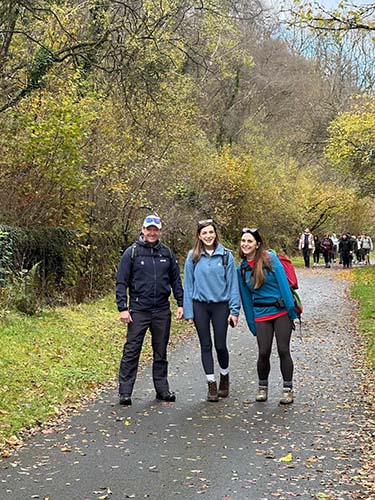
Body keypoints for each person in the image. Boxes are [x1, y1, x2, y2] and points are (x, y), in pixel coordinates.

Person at [116, 215, 184, 406]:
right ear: (143, 230)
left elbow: (176, 281)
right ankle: (125, 391)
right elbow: (121, 282)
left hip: (162, 309)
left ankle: (162, 389)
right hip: (139, 309)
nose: (152, 233)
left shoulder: (167, 253)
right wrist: (123, 308)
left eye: (155, 229)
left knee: (160, 351)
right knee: (131, 350)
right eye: (149, 229)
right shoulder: (132, 253)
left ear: (160, 231)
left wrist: (181, 303)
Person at [237, 228, 298, 405]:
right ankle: (262, 387)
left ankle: (288, 389)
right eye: (243, 241)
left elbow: (283, 285)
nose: (246, 244)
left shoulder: (270, 259)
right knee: (263, 352)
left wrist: (291, 311)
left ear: (257, 244)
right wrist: (251, 323)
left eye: (249, 241)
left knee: (283, 349)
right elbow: (246, 299)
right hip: (260, 313)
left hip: (280, 311)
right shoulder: (241, 269)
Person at [183, 219, 240, 402]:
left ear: (215, 234)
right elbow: (188, 285)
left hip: (220, 306)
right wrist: (188, 312)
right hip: (200, 305)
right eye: (204, 233)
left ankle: (224, 376)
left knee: (220, 345)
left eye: (211, 232)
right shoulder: (193, 256)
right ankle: (211, 384)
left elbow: (233, 285)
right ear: (199, 236)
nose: (208, 236)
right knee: (205, 345)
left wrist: (234, 310)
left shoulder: (226, 256)